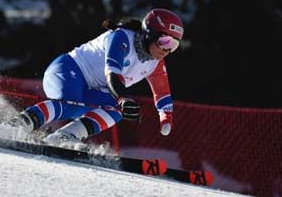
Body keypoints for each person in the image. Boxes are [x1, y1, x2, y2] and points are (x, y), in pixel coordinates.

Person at [13, 8, 184, 144]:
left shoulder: (156, 63)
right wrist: (123, 98)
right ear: (150, 33)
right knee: (71, 103)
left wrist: (166, 119)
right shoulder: (121, 37)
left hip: (90, 89)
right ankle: (21, 123)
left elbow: (163, 94)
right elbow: (112, 74)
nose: (167, 49)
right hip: (66, 70)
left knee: (116, 111)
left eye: (174, 45)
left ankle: (64, 137)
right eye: (165, 41)